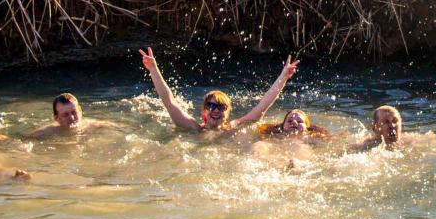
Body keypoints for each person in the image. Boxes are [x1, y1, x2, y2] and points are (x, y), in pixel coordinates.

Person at [139, 47, 299, 134]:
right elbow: (169, 102)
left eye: (221, 106)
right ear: (203, 111)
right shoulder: (193, 128)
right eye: (210, 105)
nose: (215, 110)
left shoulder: (234, 128)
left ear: (228, 111)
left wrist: (283, 77)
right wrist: (153, 69)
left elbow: (262, 106)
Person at [24, 93, 120, 140]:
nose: (72, 118)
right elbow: (20, 141)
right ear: (57, 119)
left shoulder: (95, 125)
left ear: (80, 111)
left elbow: (122, 129)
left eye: (74, 112)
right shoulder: (46, 132)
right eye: (65, 115)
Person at [255, 109, 331, 140]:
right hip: (277, 152)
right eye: (290, 121)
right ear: (283, 125)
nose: (294, 122)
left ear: (307, 127)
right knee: (260, 145)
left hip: (300, 155)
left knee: (300, 146)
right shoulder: (274, 135)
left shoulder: (312, 136)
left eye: (300, 121)